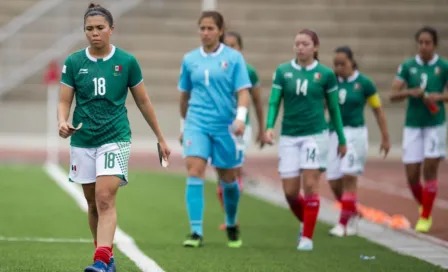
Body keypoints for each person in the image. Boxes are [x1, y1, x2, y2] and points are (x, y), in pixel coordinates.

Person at [58, 3, 171, 272]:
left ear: (111, 29)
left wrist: (160, 137)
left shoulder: (127, 62)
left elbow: (143, 102)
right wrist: (62, 122)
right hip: (83, 140)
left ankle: (100, 260)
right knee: (92, 204)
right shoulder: (74, 62)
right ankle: (107, 258)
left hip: (116, 137)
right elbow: (65, 101)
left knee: (105, 198)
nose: (94, 33)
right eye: (89, 29)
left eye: (100, 28)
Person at [264, 29, 347, 251]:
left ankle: (307, 238)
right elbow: (274, 102)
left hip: (315, 135)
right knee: (290, 192)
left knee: (310, 185)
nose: (300, 48)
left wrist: (341, 137)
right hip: (290, 136)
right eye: (297, 44)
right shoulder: (283, 71)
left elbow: (334, 109)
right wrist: (270, 127)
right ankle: (306, 221)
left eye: (305, 44)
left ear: (315, 47)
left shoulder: (325, 74)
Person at [178, 11, 251, 248]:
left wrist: (240, 119)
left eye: (210, 28)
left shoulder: (234, 58)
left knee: (228, 179)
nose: (206, 33)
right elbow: (185, 95)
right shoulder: (189, 59)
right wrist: (184, 125)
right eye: (202, 28)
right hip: (197, 123)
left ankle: (231, 222)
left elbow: (243, 92)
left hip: (225, 126)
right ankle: (195, 232)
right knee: (195, 170)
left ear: (220, 30)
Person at [327, 46, 390, 237]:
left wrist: (385, 137)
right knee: (333, 180)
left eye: (342, 64)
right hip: (333, 134)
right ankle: (352, 213)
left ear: (352, 62)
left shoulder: (365, 84)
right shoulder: (331, 83)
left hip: (355, 134)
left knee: (349, 177)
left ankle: (342, 224)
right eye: (336, 64)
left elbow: (377, 110)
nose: (338, 68)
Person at [390, 26, 448, 233]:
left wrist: (438, 97)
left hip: (435, 124)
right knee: (412, 174)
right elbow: (392, 94)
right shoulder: (408, 66)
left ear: (435, 45)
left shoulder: (443, 66)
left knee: (430, 169)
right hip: (413, 125)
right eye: (420, 42)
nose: (424, 46)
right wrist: (410, 92)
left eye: (428, 43)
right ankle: (426, 204)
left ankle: (425, 216)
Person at [212, 31, 265, 230]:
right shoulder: (216, 68)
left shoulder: (248, 71)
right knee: (221, 174)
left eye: (233, 45)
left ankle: (231, 219)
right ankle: (230, 216)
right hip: (218, 127)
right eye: (226, 45)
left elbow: (258, 103)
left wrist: (262, 129)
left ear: (240, 49)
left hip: (241, 128)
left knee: (233, 172)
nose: (230, 49)